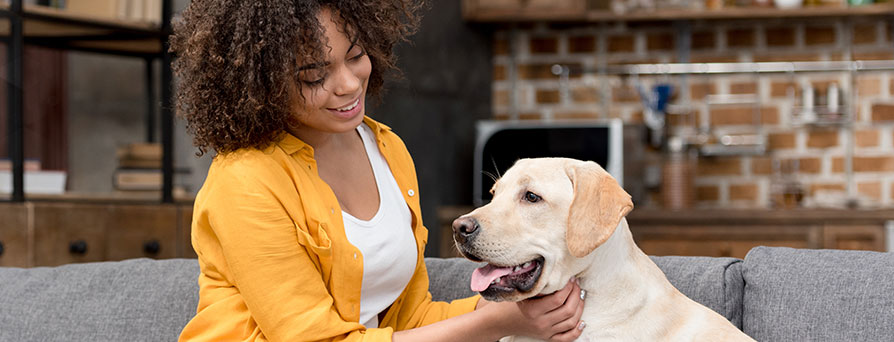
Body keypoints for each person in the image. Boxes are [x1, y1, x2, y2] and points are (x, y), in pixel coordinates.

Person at [170, 1, 586, 341]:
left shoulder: (386, 149)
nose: (349, 84)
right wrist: (497, 322)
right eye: (315, 75)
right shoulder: (244, 181)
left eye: (355, 56)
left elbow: (409, 318)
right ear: (260, 83)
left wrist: (518, 306)